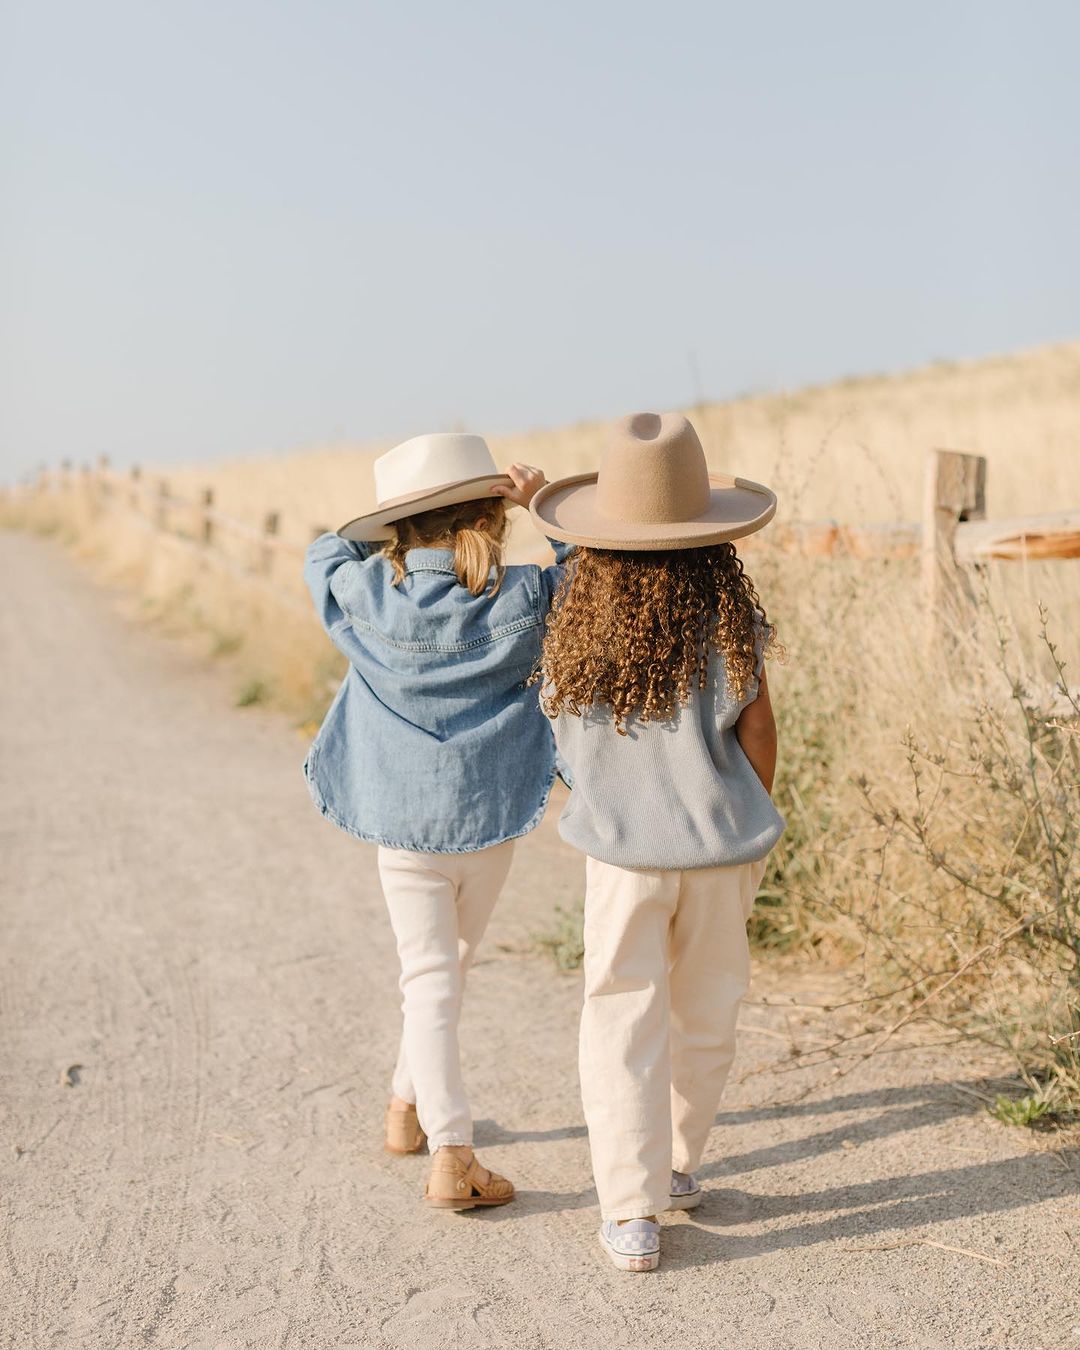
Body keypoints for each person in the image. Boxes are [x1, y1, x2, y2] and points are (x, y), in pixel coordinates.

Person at [529, 412, 784, 1271]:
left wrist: (606, 799)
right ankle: (676, 1163)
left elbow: (560, 734)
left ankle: (630, 1209)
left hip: (621, 853)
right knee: (706, 1012)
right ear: (710, 534)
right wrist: (746, 817)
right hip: (720, 849)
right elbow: (759, 733)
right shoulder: (728, 621)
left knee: (620, 1018)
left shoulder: (578, 625)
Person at [303, 432, 566, 1210]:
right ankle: (446, 1145)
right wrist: (541, 506)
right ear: (493, 514)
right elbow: (590, 575)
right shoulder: (526, 595)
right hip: (488, 814)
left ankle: (409, 1115)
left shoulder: (366, 596)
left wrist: (385, 525)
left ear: (398, 530)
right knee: (444, 971)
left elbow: (323, 553)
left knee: (431, 976)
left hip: (400, 818)